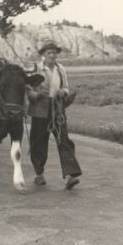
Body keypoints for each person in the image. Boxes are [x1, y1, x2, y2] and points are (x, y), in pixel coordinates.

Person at [27, 39, 82, 190]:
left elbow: (66, 87)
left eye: (54, 53)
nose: (52, 55)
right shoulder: (35, 69)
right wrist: (35, 95)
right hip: (40, 109)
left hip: (57, 109)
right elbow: (27, 89)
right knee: (38, 141)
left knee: (63, 140)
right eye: (49, 53)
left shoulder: (60, 69)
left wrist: (62, 92)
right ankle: (39, 174)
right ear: (43, 55)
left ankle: (70, 175)